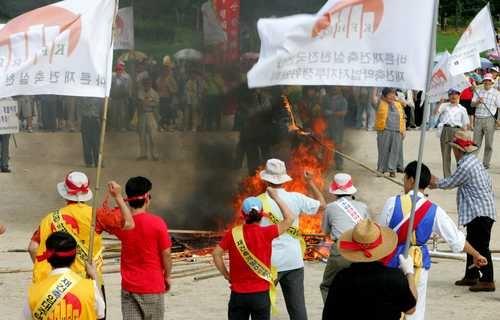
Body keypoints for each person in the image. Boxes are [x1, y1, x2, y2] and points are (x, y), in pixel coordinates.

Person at [378, 160, 488, 320]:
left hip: (392, 260)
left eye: (405, 180)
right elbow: (456, 238)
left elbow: (380, 235)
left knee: (390, 304)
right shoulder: (434, 210)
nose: (404, 184)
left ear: (411, 180)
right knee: (416, 306)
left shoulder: (392, 203)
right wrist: (476, 254)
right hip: (419, 263)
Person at [28, 172, 134, 319]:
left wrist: (47, 268)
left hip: (56, 284)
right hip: (90, 282)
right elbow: (128, 224)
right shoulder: (96, 215)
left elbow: (32, 247)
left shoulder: (50, 219)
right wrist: (117, 196)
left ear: (65, 194)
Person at [257, 158, 326, 320]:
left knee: (262, 307)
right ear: (284, 179)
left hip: (268, 262)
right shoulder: (296, 198)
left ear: (266, 179)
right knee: (297, 309)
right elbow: (322, 205)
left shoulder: (257, 202)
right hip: (293, 260)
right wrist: (310, 182)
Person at [212, 189, 294, 320]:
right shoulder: (267, 233)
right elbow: (290, 218)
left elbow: (216, 254)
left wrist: (226, 275)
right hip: (260, 294)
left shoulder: (232, 234)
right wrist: (276, 197)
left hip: (238, 294)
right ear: (262, 215)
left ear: (243, 215)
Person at [430, 131, 496, 292]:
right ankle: (471, 275)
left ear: (458, 150)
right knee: (472, 244)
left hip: (479, 212)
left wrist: (434, 182)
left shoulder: (466, 165)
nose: (453, 151)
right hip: (481, 211)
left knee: (481, 246)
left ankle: (487, 280)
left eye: (454, 148)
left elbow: (450, 182)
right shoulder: (473, 162)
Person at [105, 176, 172, 320]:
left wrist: (117, 196)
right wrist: (167, 275)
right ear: (147, 197)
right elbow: (166, 254)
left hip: (129, 288)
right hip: (152, 286)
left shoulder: (121, 224)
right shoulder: (158, 223)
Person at [322, 219, 417, 320]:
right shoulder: (395, 277)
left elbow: (329, 315)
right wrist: (409, 273)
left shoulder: (342, 277)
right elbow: (410, 309)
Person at [24, 231, 105, 320]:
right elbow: (101, 312)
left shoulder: (34, 292)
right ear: (74, 258)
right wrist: (94, 275)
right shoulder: (90, 288)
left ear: (47, 257)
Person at [319, 173, 369, 302]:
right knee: (359, 286)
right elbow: (370, 229)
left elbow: (326, 232)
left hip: (339, 250)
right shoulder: (363, 207)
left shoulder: (330, 208)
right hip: (360, 251)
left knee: (327, 285)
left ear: (335, 192)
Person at [434, 88, 470, 177]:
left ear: (459, 95)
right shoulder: (444, 105)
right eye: (451, 94)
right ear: (448, 96)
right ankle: (447, 176)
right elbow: (435, 113)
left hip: (457, 131)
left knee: (459, 155)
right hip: (445, 130)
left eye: (455, 94)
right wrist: (440, 103)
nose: (453, 96)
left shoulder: (462, 109)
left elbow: (466, 124)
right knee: (446, 155)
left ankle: (460, 175)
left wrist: (464, 135)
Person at [375, 87, 406, 177]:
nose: (392, 95)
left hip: (397, 131)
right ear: (384, 96)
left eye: (393, 93)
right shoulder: (380, 103)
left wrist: (403, 130)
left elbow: (403, 117)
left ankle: (392, 169)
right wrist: (373, 88)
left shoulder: (398, 104)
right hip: (384, 130)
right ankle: (381, 169)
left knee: (395, 151)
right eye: (390, 94)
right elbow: (373, 99)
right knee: (383, 150)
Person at [472, 73, 500, 169]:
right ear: (483, 81)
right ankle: (473, 162)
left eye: (489, 80)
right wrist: (477, 102)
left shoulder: (496, 93)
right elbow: (472, 105)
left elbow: (499, 107)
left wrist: (498, 120)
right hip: (478, 118)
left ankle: (486, 163)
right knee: (475, 143)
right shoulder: (478, 91)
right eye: (485, 80)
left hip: (489, 119)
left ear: (492, 82)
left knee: (489, 143)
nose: (487, 82)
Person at [323, 86, 347, 170]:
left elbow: (343, 113)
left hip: (338, 127)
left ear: (340, 88)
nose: (334, 89)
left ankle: (339, 163)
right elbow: (323, 110)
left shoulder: (343, 100)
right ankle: (325, 163)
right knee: (325, 144)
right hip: (327, 126)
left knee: (338, 146)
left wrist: (332, 113)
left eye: (337, 87)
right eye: (333, 87)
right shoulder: (327, 99)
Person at [137, 77, 160, 161]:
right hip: (142, 114)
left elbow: (156, 105)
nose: (146, 85)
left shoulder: (154, 93)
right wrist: (149, 103)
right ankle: (143, 154)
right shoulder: (140, 91)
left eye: (148, 83)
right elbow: (140, 103)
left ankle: (155, 154)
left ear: (151, 84)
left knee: (153, 136)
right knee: (142, 135)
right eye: (145, 83)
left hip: (151, 114)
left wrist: (147, 103)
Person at [78, 97, 103, 168]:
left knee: (93, 143)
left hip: (92, 120)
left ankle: (94, 162)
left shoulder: (97, 96)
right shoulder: (86, 95)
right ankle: (92, 162)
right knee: (89, 143)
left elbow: (101, 109)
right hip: (88, 119)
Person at [156, 55, 178, 131]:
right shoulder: (159, 79)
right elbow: (157, 88)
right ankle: (161, 126)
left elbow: (175, 89)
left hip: (168, 98)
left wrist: (170, 89)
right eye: (164, 69)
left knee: (168, 112)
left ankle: (167, 126)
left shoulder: (170, 78)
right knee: (161, 112)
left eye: (166, 69)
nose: (165, 71)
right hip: (160, 98)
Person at [110, 61, 132, 131]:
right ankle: (113, 127)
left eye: (120, 69)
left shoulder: (127, 77)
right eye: (117, 69)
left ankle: (122, 126)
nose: (119, 70)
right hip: (114, 98)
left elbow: (129, 87)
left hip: (123, 98)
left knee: (123, 113)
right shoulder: (112, 76)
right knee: (114, 113)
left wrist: (129, 96)